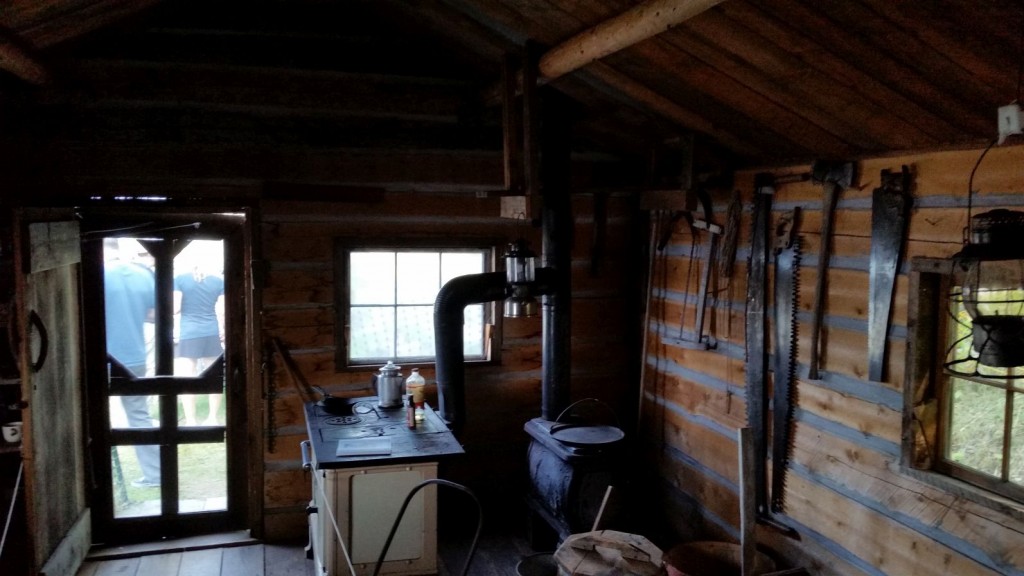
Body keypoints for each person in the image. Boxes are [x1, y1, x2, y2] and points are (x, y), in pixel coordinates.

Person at [104, 238, 161, 488]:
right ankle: (155, 474)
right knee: (139, 416)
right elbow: (154, 313)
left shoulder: (97, 274)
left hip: (100, 358)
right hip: (134, 357)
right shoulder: (143, 274)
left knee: (87, 417)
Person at [174, 264, 225, 426]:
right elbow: (223, 310)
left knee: (188, 377)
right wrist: (223, 329)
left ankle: (191, 420)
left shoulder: (180, 279)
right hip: (211, 330)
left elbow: (175, 308)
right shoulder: (218, 282)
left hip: (189, 332)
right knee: (214, 376)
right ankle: (212, 418)